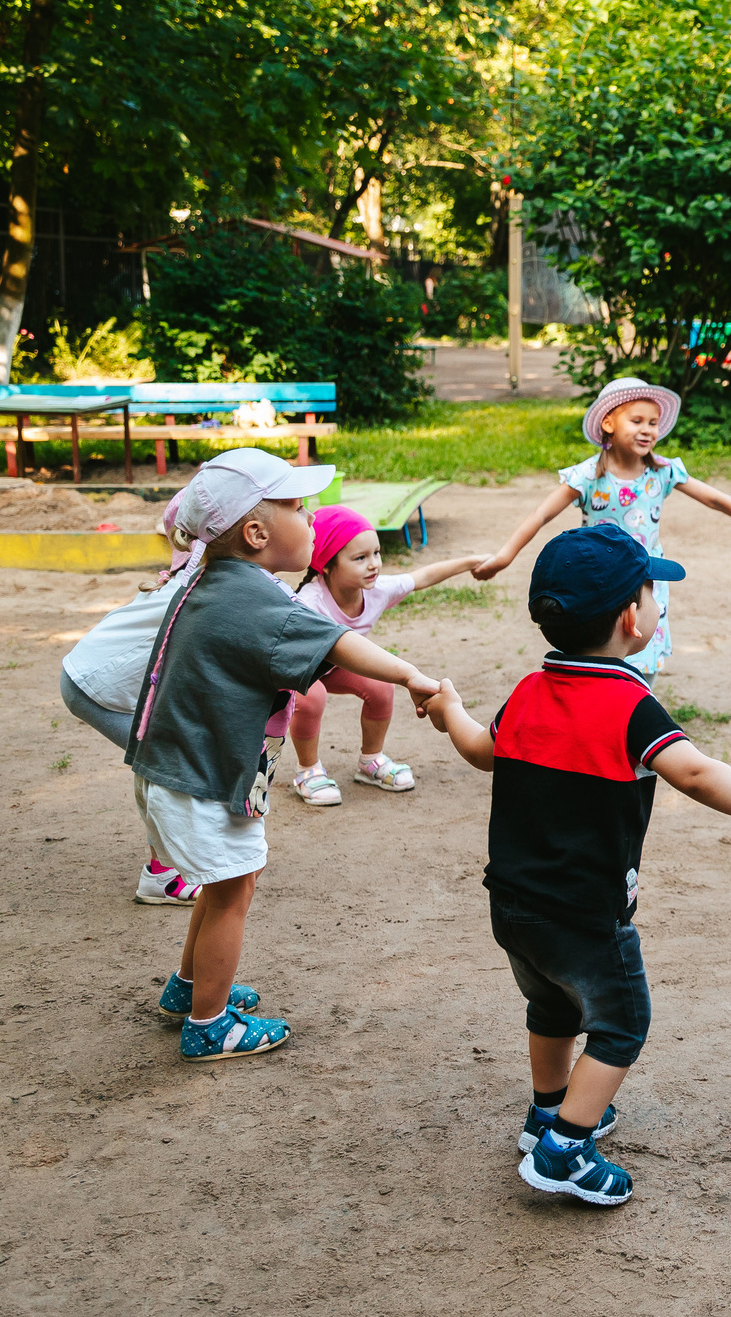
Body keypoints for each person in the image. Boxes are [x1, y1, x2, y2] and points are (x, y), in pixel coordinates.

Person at [421, 524, 731, 1206]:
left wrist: (450, 709)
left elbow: (483, 750)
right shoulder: (630, 703)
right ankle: (565, 1147)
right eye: (652, 592)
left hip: (512, 903)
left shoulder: (527, 690)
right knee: (621, 1021)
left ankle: (549, 1107)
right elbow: (693, 772)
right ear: (632, 619)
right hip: (586, 911)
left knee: (550, 1003)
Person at [125, 450, 444, 1062]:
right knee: (232, 890)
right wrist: (410, 676)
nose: (313, 516)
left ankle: (189, 990)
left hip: (187, 769)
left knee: (228, 884)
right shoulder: (253, 597)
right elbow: (341, 644)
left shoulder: (215, 580)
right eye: (299, 508)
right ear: (256, 533)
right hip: (204, 778)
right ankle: (208, 1025)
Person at [474, 378, 731, 676]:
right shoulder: (587, 477)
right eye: (637, 421)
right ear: (608, 423)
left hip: (644, 578)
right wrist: (505, 556)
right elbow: (540, 515)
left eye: (653, 423)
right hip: (598, 583)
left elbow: (715, 500)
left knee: (642, 650)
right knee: (595, 652)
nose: (648, 430)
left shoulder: (663, 472)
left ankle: (636, 711)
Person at [284, 505, 487, 805]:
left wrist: (471, 562)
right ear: (326, 565)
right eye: (360, 558)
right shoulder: (309, 604)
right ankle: (307, 769)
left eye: (376, 553)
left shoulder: (377, 589)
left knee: (380, 685)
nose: (374, 565)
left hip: (333, 665)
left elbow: (422, 577)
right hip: (297, 671)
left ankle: (370, 761)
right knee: (311, 696)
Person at [61, 492, 205, 904]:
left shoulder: (198, 578)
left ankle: (169, 866)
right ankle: (163, 876)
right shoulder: (195, 588)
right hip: (93, 687)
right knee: (166, 762)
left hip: (100, 681)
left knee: (165, 759)